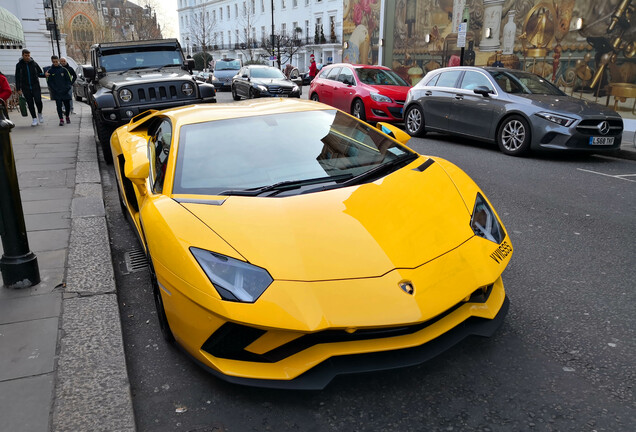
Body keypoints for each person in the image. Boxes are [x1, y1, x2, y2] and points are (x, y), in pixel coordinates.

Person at [15, 49, 45, 126]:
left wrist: (45, 75)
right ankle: (34, 119)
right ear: (22, 55)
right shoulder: (19, 65)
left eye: (29, 55)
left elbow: (40, 73)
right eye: (26, 55)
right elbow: (17, 77)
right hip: (25, 87)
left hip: (35, 86)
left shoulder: (34, 63)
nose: (28, 57)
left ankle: (39, 113)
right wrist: (18, 89)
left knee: (38, 101)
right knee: (30, 103)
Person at [45, 56, 73, 126]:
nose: (55, 63)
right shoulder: (50, 71)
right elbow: (49, 82)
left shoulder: (64, 70)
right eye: (54, 62)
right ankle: (61, 119)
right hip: (57, 92)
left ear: (59, 61)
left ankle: (67, 116)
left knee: (67, 105)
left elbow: (69, 80)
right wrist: (54, 90)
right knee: (58, 106)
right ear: (52, 62)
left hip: (65, 91)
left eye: (56, 62)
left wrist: (67, 88)